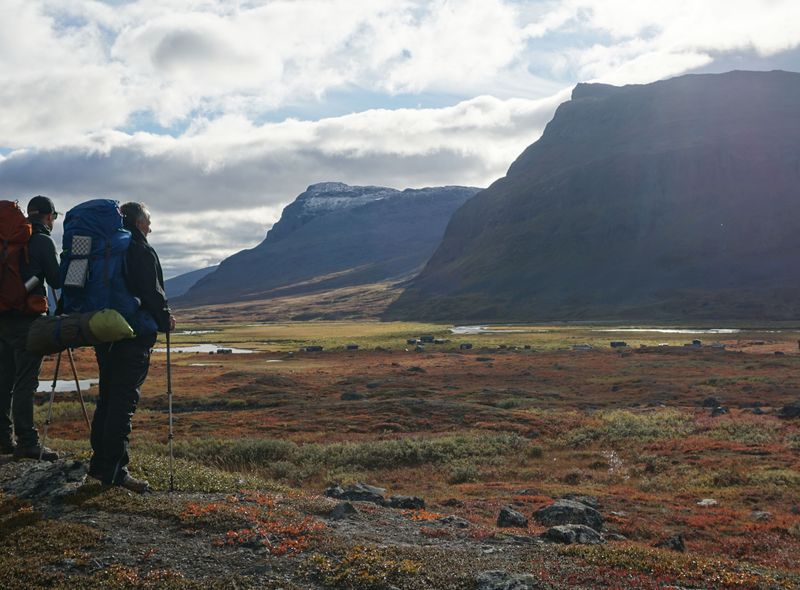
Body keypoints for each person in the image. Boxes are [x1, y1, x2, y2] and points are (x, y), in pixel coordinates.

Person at [88, 202, 175, 492]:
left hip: (105, 330)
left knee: (108, 397)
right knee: (123, 403)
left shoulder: (107, 248)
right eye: (148, 221)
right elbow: (152, 292)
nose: (150, 227)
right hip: (134, 334)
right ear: (139, 222)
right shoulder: (139, 249)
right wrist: (165, 321)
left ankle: (99, 465)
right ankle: (115, 471)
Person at [0, 196, 61, 460]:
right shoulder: (42, 240)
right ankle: (27, 441)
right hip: (27, 319)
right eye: (54, 217)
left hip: (2, 317)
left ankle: (3, 440)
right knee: (26, 381)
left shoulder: (9, 239)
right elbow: (57, 279)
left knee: (4, 381)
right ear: (48, 216)